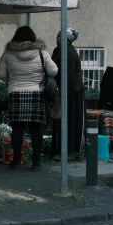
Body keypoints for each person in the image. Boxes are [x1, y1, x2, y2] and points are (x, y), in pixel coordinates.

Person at [0, 25, 58, 171]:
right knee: (37, 129)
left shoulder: (8, 53)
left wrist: (13, 81)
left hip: (15, 93)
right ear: (33, 37)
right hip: (37, 93)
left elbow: (0, 73)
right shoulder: (41, 52)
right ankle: (36, 163)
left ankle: (16, 161)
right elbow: (54, 71)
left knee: (17, 128)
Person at [50, 28, 85, 161]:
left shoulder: (69, 53)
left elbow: (67, 77)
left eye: (61, 37)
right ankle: (59, 149)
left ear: (68, 40)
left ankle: (70, 152)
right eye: (57, 36)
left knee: (71, 121)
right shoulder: (58, 51)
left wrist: (60, 92)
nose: (57, 39)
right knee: (61, 120)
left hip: (73, 92)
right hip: (65, 91)